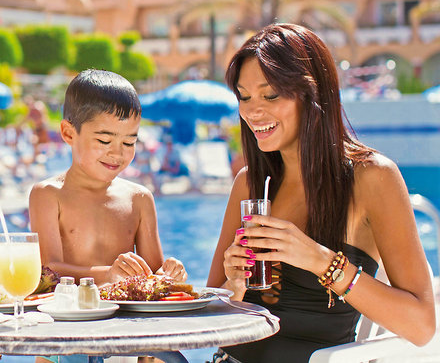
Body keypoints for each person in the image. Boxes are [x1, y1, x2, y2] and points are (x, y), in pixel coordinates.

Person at [206, 24, 435, 363]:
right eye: (244, 96)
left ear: (312, 93)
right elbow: (210, 319)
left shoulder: (372, 178)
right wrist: (233, 285)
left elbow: (421, 326)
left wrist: (321, 261)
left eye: (270, 95)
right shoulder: (250, 183)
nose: (252, 111)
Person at [30, 69, 187, 286]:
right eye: (104, 141)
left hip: (122, 309)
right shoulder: (48, 195)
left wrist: (169, 274)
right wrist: (108, 275)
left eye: (129, 143)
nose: (117, 153)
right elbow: (48, 270)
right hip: (70, 307)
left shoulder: (139, 199)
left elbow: (153, 275)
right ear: (69, 133)